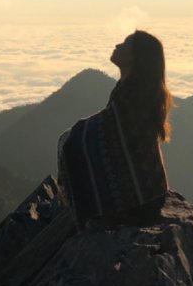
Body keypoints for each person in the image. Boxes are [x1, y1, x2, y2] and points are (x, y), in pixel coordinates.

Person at [57, 30, 172, 230]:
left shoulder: (134, 94)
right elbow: (111, 126)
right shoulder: (131, 88)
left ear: (137, 55)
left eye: (126, 43)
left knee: (71, 144)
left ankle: (96, 213)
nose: (118, 45)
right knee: (72, 140)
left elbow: (112, 129)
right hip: (150, 192)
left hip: (140, 201)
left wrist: (77, 132)